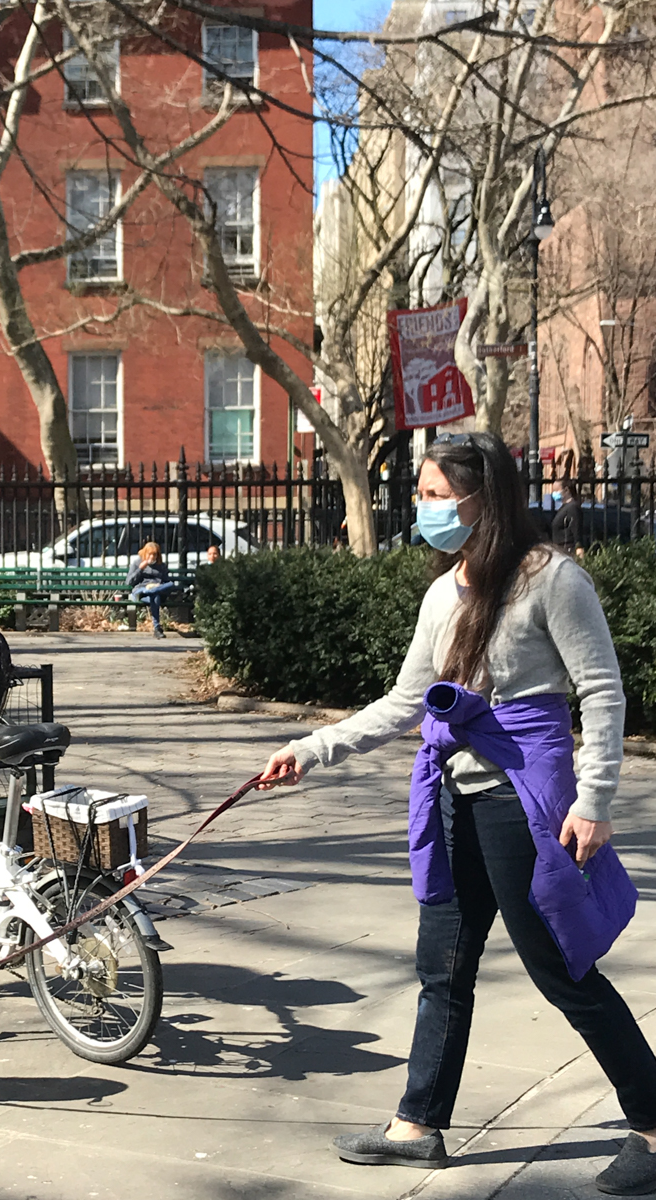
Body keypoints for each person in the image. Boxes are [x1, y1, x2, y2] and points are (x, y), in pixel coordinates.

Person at [258, 431, 656, 1196]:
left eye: (438, 493)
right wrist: (310, 750)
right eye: (423, 492)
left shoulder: (552, 579)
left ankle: (653, 1120)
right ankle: (417, 1126)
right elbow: (406, 702)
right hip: (449, 794)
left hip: (523, 795)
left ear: (485, 497)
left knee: (561, 968)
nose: (425, 506)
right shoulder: (444, 592)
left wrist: (594, 800)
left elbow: (602, 691)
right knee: (441, 966)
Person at [126, 541, 176, 639]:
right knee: (153, 594)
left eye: (155, 554)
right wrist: (140, 568)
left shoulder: (161, 565)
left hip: (156, 591)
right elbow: (129, 582)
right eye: (150, 554)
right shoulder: (137, 563)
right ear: (145, 553)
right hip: (141, 592)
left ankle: (157, 628)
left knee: (161, 590)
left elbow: (166, 581)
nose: (152, 557)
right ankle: (157, 628)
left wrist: (158, 586)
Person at [551, 479, 582, 555]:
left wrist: (579, 548)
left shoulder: (572, 508)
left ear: (566, 490)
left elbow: (577, 530)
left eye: (556, 490)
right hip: (560, 550)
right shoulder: (563, 508)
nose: (554, 493)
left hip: (567, 550)